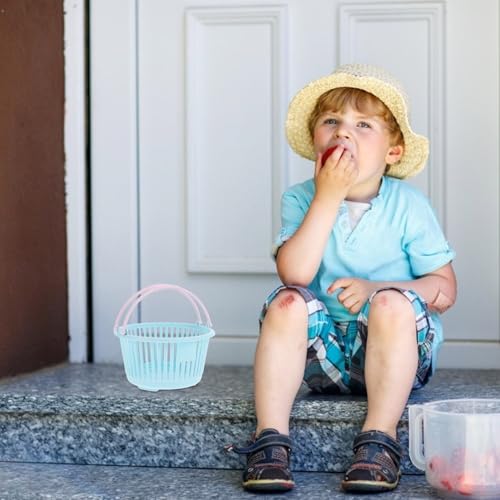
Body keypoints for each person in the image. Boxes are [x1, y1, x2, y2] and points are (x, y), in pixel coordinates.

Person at [225, 64, 457, 494]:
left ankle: (380, 440)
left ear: (392, 152)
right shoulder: (299, 199)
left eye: (363, 125)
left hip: (396, 355)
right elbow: (295, 273)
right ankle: (270, 439)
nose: (343, 133)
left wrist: (379, 290)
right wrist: (327, 195)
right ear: (315, 139)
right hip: (324, 359)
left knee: (390, 303)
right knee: (287, 301)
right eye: (331, 122)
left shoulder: (408, 205)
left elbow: (445, 289)